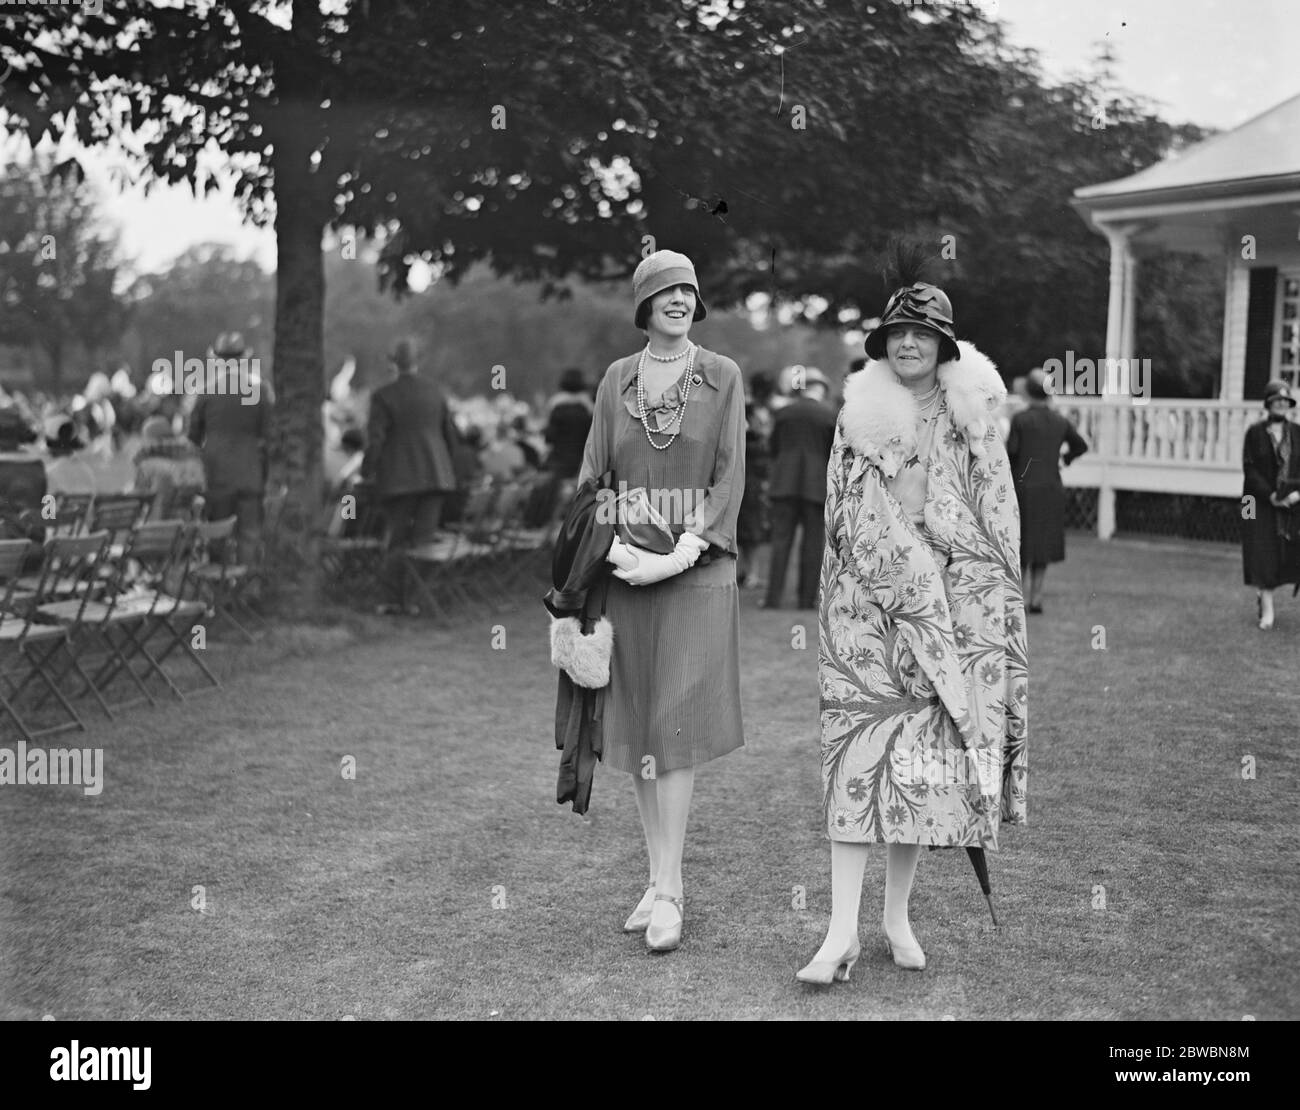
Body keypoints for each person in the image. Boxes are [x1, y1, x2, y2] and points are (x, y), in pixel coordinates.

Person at [800, 280, 1027, 985]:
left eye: (922, 335)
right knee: (854, 768)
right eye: (898, 333)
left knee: (917, 773)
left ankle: (896, 917)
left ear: (942, 345)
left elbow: (998, 522)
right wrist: (896, 565)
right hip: (865, 617)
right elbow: (840, 513)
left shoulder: (974, 421)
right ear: (883, 343)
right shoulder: (858, 419)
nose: (908, 344)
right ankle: (839, 934)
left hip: (950, 620)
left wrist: (960, 591)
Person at [577, 248, 745, 953]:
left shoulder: (722, 376)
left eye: (687, 290)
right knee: (641, 728)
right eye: (664, 290)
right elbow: (593, 475)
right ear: (644, 305)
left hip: (694, 575)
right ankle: (656, 877)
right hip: (625, 575)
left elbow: (731, 473)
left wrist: (682, 550)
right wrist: (616, 550)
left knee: (674, 731)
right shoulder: (617, 379)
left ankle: (673, 892)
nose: (678, 299)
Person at [362, 337, 459, 615]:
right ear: (418, 361)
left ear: (391, 361)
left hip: (398, 477)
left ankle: (391, 599)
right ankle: (416, 599)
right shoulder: (436, 391)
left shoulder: (383, 395)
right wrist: (448, 468)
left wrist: (367, 470)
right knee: (424, 541)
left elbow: (376, 440)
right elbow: (449, 435)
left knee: (396, 539)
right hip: (436, 474)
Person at [1006, 368, 1089, 614]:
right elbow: (1081, 445)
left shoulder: (1020, 420)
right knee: (1041, 544)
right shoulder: (1060, 421)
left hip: (1023, 488)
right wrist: (1064, 458)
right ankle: (1037, 597)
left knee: (1021, 544)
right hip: (1051, 486)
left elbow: (1012, 453)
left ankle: (1017, 598)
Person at [188, 331, 272, 566]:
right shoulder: (259, 391)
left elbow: (193, 436)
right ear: (243, 359)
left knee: (218, 535)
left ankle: (221, 589)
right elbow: (268, 435)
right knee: (250, 536)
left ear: (216, 360)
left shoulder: (206, 391)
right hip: (251, 473)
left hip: (217, 474)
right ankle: (248, 591)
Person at [763, 367, 837, 609]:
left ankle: (773, 598)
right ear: (822, 389)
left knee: (780, 542)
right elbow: (832, 454)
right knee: (813, 544)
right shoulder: (830, 415)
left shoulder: (784, 412)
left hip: (784, 483)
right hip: (816, 487)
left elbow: (773, 447)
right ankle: (806, 600)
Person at [1241, 379, 1300, 630]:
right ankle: (1267, 610)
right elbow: (1249, 469)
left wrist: (1296, 494)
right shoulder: (1254, 432)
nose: (1281, 405)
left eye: (1285, 401)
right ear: (1268, 404)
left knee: (1291, 554)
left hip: (1294, 500)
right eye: (1276, 401)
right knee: (1260, 552)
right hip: (1255, 501)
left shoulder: (1298, 432)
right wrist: (1271, 496)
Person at [133, 414, 207, 520]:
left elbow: (138, 496)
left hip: (158, 524)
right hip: (186, 523)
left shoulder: (148, 465)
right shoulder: (193, 460)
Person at [736, 402, 771, 587]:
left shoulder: (739, 436)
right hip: (752, 490)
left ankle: (746, 571)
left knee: (744, 535)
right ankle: (752, 573)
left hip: (743, 489)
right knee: (752, 535)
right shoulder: (755, 442)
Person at [543, 368, 594, 481]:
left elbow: (549, 437)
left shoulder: (556, 405)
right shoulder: (588, 407)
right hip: (581, 462)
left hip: (559, 461)